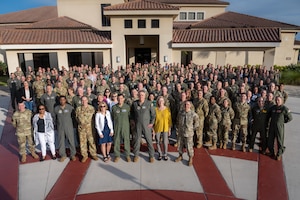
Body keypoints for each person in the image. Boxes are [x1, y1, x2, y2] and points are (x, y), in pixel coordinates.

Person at [131, 90, 156, 163]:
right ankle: (136, 155)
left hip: (146, 125)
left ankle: (151, 156)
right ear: (138, 95)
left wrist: (152, 123)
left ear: (145, 96)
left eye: (142, 95)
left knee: (149, 140)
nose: (141, 96)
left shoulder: (149, 103)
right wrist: (132, 120)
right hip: (137, 125)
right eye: (140, 95)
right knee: (137, 140)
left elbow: (153, 114)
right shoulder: (135, 103)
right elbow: (132, 113)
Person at [267, 96, 292, 160]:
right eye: (276, 100)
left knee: (280, 141)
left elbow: (290, 118)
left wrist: (283, 121)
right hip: (272, 126)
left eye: (278, 100)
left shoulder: (284, 109)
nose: (277, 101)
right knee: (270, 140)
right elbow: (268, 115)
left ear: (282, 101)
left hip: (279, 127)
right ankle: (271, 152)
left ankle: (279, 154)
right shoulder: (273, 108)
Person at [175, 101, 199, 166]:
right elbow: (177, 121)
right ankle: (180, 155)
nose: (186, 106)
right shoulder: (180, 113)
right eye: (185, 104)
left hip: (188, 133)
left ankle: (190, 158)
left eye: (188, 105)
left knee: (189, 146)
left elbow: (196, 124)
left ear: (190, 106)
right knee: (180, 145)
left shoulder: (193, 114)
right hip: (181, 132)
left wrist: (191, 129)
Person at [75, 96, 98, 163]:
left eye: (85, 100)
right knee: (82, 143)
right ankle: (84, 155)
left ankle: (93, 154)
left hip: (90, 128)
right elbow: (77, 118)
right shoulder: (78, 109)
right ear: (81, 101)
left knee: (92, 142)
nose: (84, 101)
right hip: (82, 129)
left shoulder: (92, 108)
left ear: (87, 100)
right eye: (82, 100)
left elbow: (94, 118)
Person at [54, 96, 77, 162]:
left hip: (69, 126)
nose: (62, 101)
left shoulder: (69, 107)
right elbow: (54, 117)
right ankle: (63, 155)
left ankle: (72, 154)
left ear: (65, 100)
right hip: (60, 127)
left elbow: (73, 115)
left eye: (63, 100)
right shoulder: (56, 108)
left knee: (71, 140)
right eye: (61, 100)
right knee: (61, 141)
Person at [111, 93, 131, 162]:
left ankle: (127, 155)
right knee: (116, 141)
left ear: (124, 99)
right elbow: (112, 117)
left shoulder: (127, 107)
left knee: (126, 140)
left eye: (121, 98)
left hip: (125, 126)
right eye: (118, 99)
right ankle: (117, 155)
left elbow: (129, 116)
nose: (120, 100)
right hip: (117, 126)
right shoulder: (114, 107)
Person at [153, 96, 172, 161]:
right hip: (157, 127)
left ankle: (165, 154)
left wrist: (169, 129)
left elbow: (169, 120)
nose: (161, 102)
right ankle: (160, 154)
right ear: (158, 102)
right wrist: (153, 130)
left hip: (165, 127)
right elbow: (154, 119)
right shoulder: (155, 109)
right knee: (157, 141)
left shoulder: (167, 109)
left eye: (162, 100)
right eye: (159, 101)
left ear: (164, 101)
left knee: (165, 141)